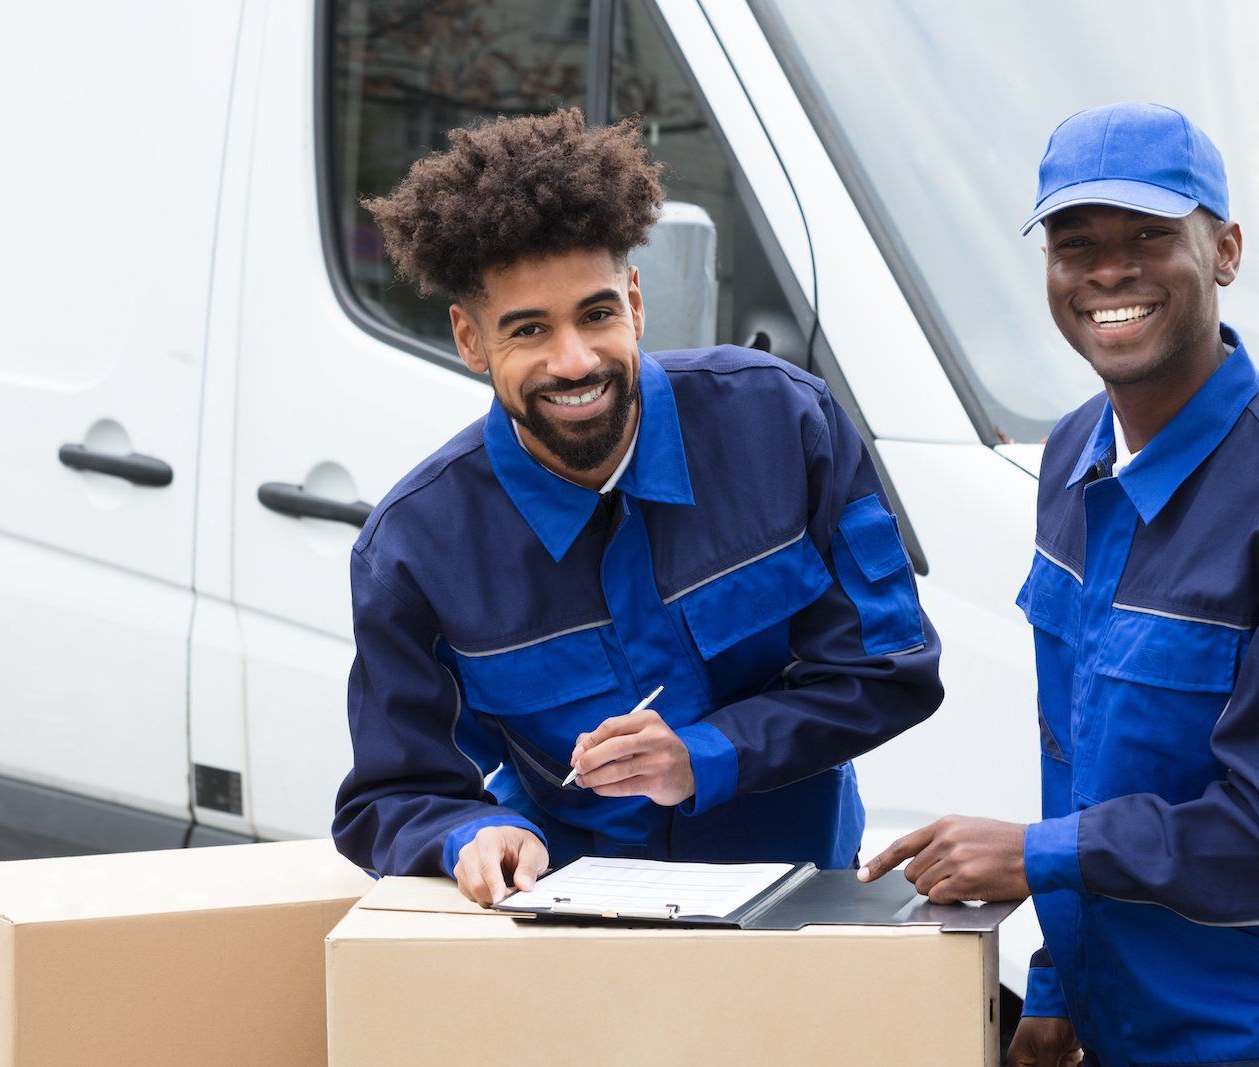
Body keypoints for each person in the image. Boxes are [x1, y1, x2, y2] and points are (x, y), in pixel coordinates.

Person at [860, 102, 1259, 1067]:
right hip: (1118, 1025)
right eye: (1075, 243)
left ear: (1226, 251)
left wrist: (1036, 855)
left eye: (1150, 236)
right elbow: (1082, 764)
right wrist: (1058, 982)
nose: (1108, 271)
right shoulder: (1073, 461)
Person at [331, 108, 942, 907]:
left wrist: (707, 754)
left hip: (799, 911)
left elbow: (892, 670)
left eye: (596, 313)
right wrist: (468, 834)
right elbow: (392, 792)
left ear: (636, 302)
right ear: (471, 340)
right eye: (528, 330)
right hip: (569, 938)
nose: (574, 359)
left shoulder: (784, 426)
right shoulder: (415, 548)